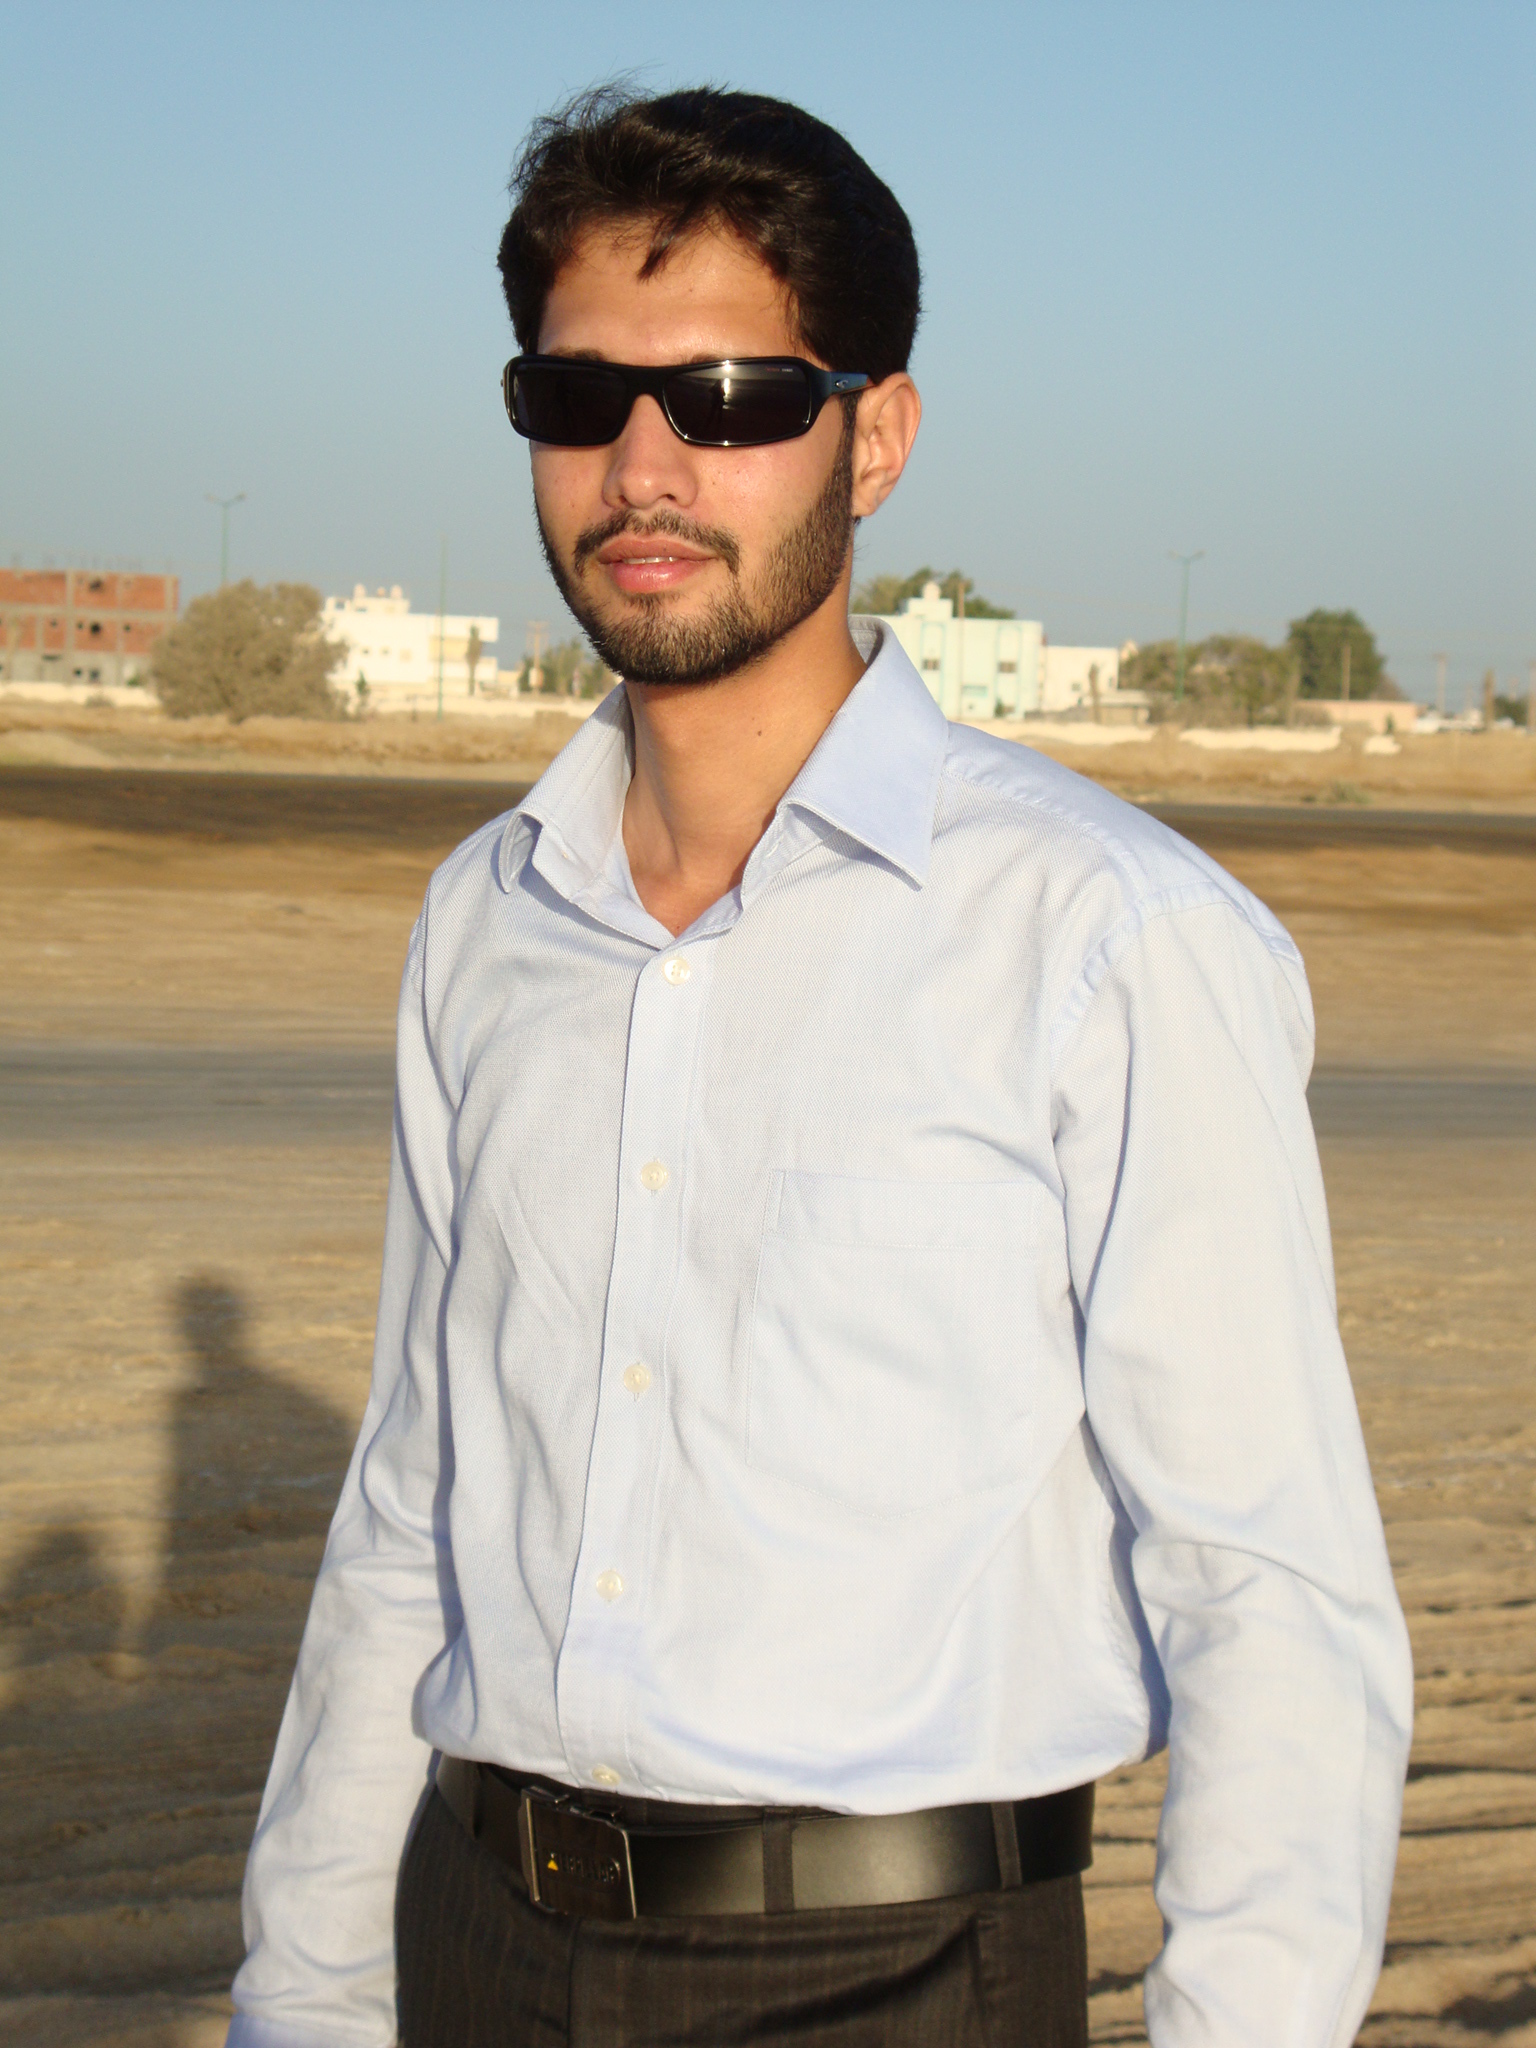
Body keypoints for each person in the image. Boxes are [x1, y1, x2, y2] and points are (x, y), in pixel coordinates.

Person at [226, 86, 1413, 2048]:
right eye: (579, 399)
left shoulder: (1106, 936)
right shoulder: (488, 917)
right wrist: (309, 1989)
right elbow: (414, 1504)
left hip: (887, 1976)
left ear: (875, 436)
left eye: (734, 400)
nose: (645, 468)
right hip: (479, 1938)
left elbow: (1269, 1585)